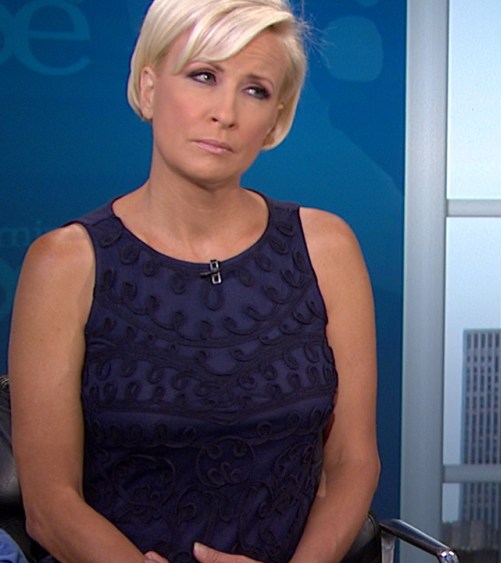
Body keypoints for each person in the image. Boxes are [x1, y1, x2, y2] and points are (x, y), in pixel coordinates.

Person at [6, 0, 380, 561]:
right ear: (149, 87)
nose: (225, 113)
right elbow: (50, 504)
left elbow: (353, 461)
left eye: (254, 90)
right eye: (204, 76)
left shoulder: (327, 248)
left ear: (276, 119)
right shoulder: (65, 263)